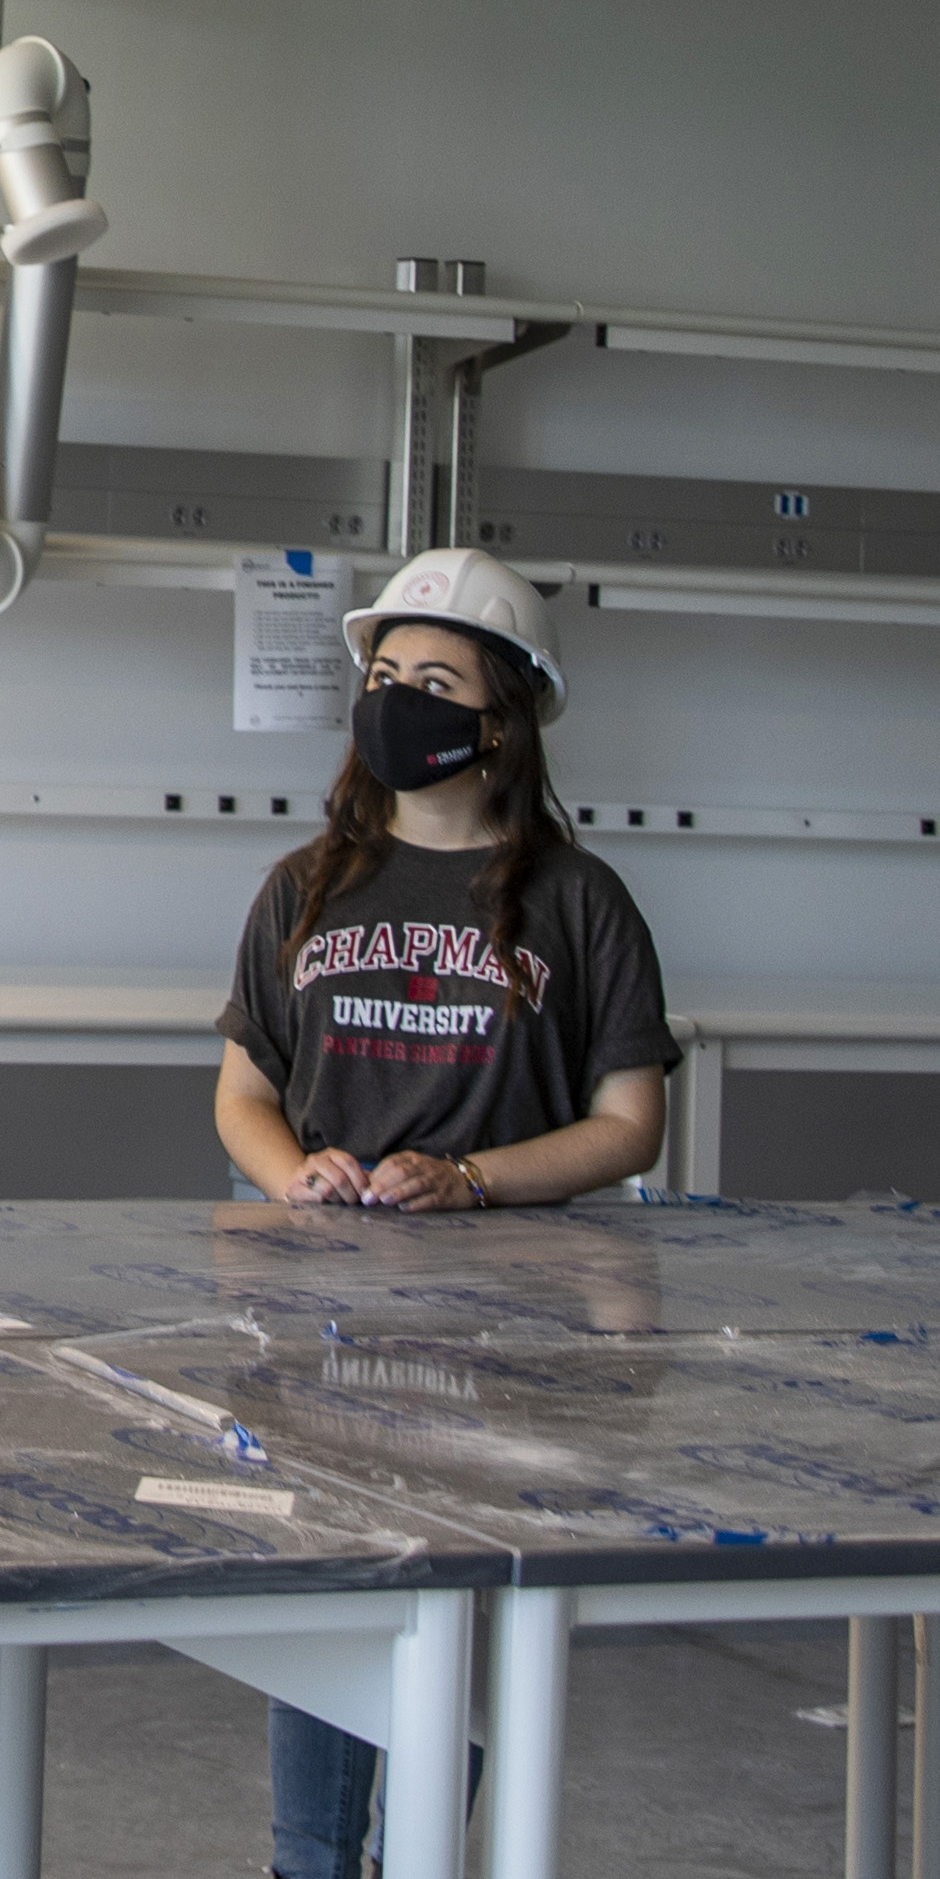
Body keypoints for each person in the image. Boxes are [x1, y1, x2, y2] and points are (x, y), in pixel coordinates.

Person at [213, 545, 672, 1879]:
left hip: (512, 1335)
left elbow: (630, 1123)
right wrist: (291, 1167)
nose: (398, 698)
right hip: (318, 1318)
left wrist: (472, 1180)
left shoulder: (579, 903)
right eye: (385, 673)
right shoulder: (305, 888)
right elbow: (243, 1096)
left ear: (502, 719)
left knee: (456, 1633)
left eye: (435, 678)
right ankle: (307, 1864)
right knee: (325, 1609)